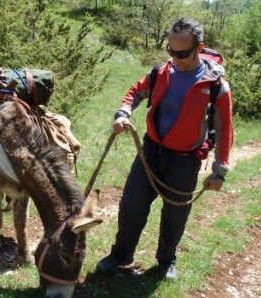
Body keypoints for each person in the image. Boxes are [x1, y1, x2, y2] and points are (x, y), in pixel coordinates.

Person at [95, 17, 233, 280]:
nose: (175, 57)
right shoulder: (161, 73)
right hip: (150, 152)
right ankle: (121, 254)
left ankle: (167, 260)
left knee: (175, 214)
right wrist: (123, 112)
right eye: (170, 50)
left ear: (198, 47)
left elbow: (225, 129)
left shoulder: (216, 86)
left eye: (181, 52)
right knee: (130, 206)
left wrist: (219, 172)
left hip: (185, 161)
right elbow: (136, 91)